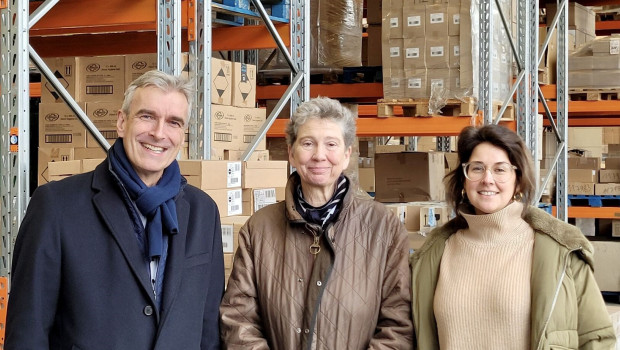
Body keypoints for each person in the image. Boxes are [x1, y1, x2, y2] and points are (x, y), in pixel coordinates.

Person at [5, 70, 225, 349]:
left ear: (183, 134)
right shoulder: (56, 206)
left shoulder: (203, 212)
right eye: (147, 116)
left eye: (173, 122)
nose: (159, 133)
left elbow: (208, 331)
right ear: (122, 122)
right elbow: (28, 331)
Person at [220, 97, 413, 349]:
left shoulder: (384, 227)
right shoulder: (259, 228)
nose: (319, 155)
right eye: (308, 143)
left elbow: (398, 326)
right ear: (291, 152)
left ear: (346, 155)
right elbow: (238, 321)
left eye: (331, 144)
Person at [410, 124, 616, 350]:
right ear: (464, 178)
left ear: (518, 180)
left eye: (500, 170)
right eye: (477, 168)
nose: (487, 179)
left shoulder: (561, 251)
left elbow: (596, 338)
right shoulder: (432, 256)